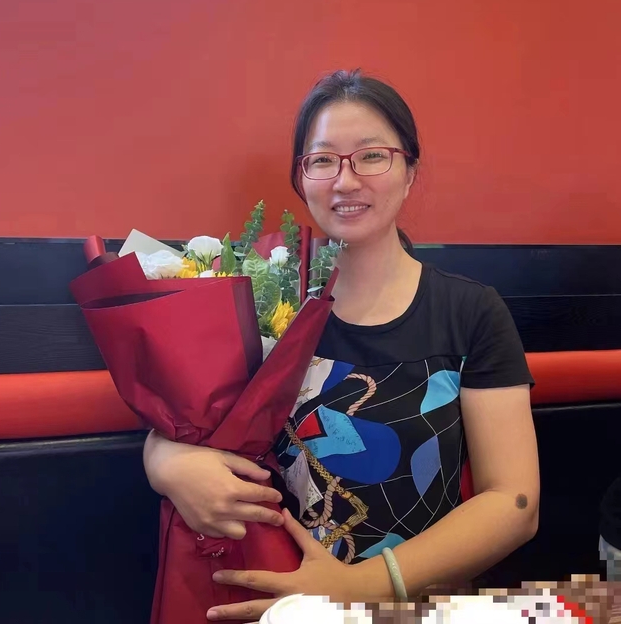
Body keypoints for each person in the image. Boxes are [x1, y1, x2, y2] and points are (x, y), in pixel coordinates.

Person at [143, 69, 540, 621]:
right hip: (270, 607)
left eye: (372, 156)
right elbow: (189, 424)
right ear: (302, 178)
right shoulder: (263, 304)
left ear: (410, 171)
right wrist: (162, 460)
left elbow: (514, 503)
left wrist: (358, 586)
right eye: (324, 160)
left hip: (414, 606)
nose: (346, 181)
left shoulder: (470, 312)